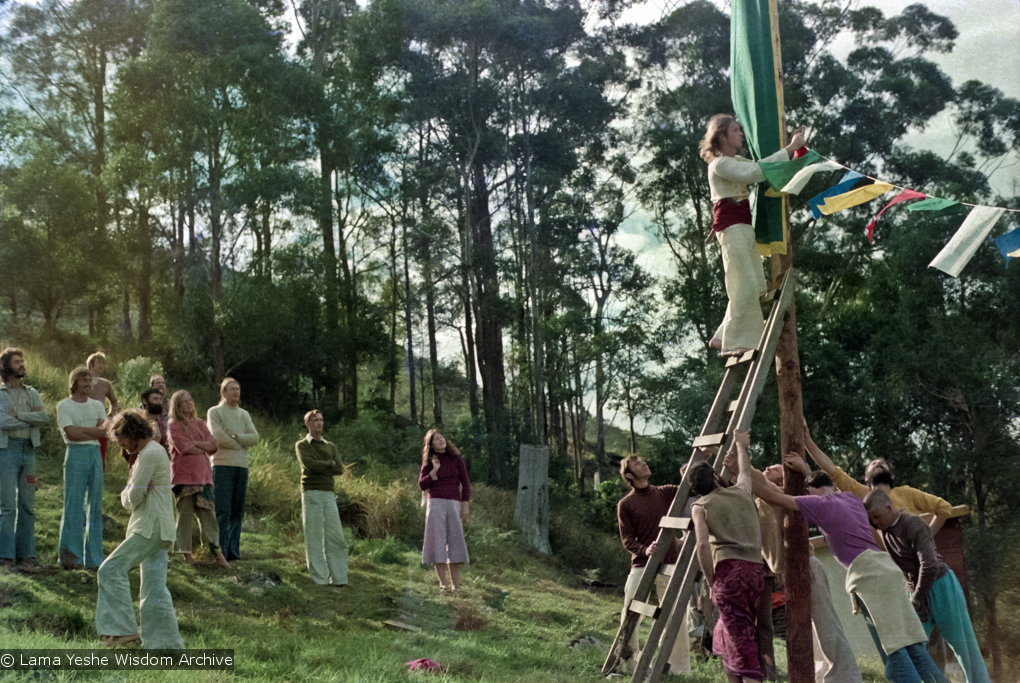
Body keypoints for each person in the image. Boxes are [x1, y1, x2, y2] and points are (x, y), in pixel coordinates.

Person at [754, 451, 947, 683]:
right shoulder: (850, 498)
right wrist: (807, 472)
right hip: (887, 569)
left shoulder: (819, 503)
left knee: (892, 652)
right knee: (910, 644)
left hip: (867, 574)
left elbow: (774, 497)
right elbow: (820, 483)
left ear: (810, 492)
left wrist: (743, 469)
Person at [725, 456, 862, 683]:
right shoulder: (760, 497)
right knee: (810, 627)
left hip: (805, 564)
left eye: (776, 466)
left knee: (826, 623)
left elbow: (762, 484)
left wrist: (742, 461)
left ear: (787, 477)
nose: (768, 466)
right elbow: (746, 486)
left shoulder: (784, 493)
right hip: (790, 569)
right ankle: (823, 674)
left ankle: (846, 677)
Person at [700, 115, 805, 357]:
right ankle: (735, 343)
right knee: (742, 283)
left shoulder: (734, 160)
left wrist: (790, 152)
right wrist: (790, 149)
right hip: (731, 229)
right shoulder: (720, 164)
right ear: (722, 136)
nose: (740, 134)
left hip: (744, 228)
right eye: (735, 130)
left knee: (755, 284)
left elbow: (761, 166)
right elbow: (756, 172)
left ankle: (721, 336)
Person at [864, 490, 990, 683]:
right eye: (871, 520)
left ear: (889, 508)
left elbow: (929, 565)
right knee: (912, 646)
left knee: (963, 647)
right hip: (914, 591)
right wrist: (910, 595)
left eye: (877, 517)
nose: (875, 523)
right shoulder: (883, 530)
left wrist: (917, 597)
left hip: (940, 586)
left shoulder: (913, 524)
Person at [95, 411, 182, 649]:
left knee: (110, 570)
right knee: (155, 589)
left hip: (149, 526)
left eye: (122, 437)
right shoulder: (155, 451)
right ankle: (165, 646)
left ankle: (122, 630)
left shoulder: (149, 454)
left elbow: (133, 496)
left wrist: (124, 494)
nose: (121, 444)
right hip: (161, 527)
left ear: (133, 433)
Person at [691, 430, 765, 683]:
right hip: (755, 572)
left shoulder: (700, 506)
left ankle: (752, 679)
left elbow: (702, 546)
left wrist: (712, 581)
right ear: (715, 477)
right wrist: (741, 445)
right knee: (731, 632)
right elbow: (744, 471)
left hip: (728, 573)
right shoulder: (742, 492)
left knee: (741, 637)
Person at [615, 454, 691, 675]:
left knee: (676, 614)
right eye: (637, 464)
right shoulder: (626, 504)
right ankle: (627, 665)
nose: (644, 463)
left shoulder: (665, 492)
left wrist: (687, 471)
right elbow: (627, 539)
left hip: (669, 564)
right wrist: (644, 550)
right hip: (641, 566)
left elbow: (691, 490)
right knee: (630, 614)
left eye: (643, 461)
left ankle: (678, 670)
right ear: (629, 475)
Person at [802, 423, 952, 534]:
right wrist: (807, 440)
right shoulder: (861, 493)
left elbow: (944, 508)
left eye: (883, 463)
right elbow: (831, 468)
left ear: (892, 476)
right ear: (866, 477)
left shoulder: (907, 492)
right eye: (873, 464)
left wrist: (928, 536)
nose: (878, 463)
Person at [0, 348, 50, 573]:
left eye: (22, 361)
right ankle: (6, 556)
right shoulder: (0, 394)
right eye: (17, 361)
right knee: (7, 506)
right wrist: (30, 420)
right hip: (7, 450)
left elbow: (44, 417)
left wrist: (19, 417)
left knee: (27, 506)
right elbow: (2, 422)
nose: (22, 365)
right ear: (6, 367)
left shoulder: (32, 393)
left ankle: (27, 555)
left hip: (28, 450)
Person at [167, 390, 229, 568]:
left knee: (208, 517)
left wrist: (195, 444)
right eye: (184, 401)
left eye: (190, 400)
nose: (188, 403)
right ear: (177, 405)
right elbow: (183, 448)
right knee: (185, 517)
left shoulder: (201, 423)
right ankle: (186, 556)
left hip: (203, 476)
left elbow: (214, 445)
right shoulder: (174, 425)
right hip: (183, 477)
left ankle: (215, 554)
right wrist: (202, 446)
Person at [56, 366, 108, 570]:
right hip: (75, 454)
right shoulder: (64, 405)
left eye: (90, 380)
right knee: (73, 503)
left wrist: (87, 431)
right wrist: (92, 432)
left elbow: (104, 432)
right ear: (74, 382)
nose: (88, 383)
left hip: (95, 454)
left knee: (95, 504)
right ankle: (71, 556)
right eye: (84, 380)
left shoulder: (97, 405)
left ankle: (94, 557)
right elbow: (70, 434)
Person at [206, 377, 259, 564]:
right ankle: (219, 552)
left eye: (238, 389)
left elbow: (255, 438)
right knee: (222, 510)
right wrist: (240, 444)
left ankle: (233, 552)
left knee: (237, 511)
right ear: (223, 392)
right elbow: (218, 437)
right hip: (221, 465)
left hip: (241, 466)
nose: (236, 392)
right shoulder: (215, 412)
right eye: (232, 389)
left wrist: (236, 437)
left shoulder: (244, 414)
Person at [295, 409, 348, 590]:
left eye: (321, 420)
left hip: (327, 493)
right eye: (315, 420)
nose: (319, 423)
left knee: (336, 536)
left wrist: (324, 465)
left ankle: (339, 577)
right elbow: (308, 465)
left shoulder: (330, 446)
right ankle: (320, 579)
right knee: (314, 535)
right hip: (311, 492)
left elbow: (339, 469)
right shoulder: (302, 445)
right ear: (307, 424)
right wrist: (328, 464)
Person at [418, 429, 469, 591]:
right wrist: (434, 471)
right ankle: (443, 584)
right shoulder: (429, 461)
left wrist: (465, 504)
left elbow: (465, 483)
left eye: (442, 437)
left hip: (454, 502)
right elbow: (422, 485)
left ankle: (456, 584)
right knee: (437, 541)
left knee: (455, 540)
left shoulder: (456, 459)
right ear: (431, 444)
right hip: (435, 502)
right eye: (436, 439)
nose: (441, 440)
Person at [86, 352, 118, 472]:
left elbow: (114, 401)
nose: (101, 365)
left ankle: (99, 479)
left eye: (103, 363)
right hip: (83, 422)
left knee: (100, 452)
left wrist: (110, 416)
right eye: (99, 362)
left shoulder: (105, 383)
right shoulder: (83, 380)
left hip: (100, 423)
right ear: (91, 364)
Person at [137, 388, 167, 455]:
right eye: (155, 399)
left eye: (160, 399)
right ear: (145, 401)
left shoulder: (160, 422)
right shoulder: (137, 421)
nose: (159, 402)